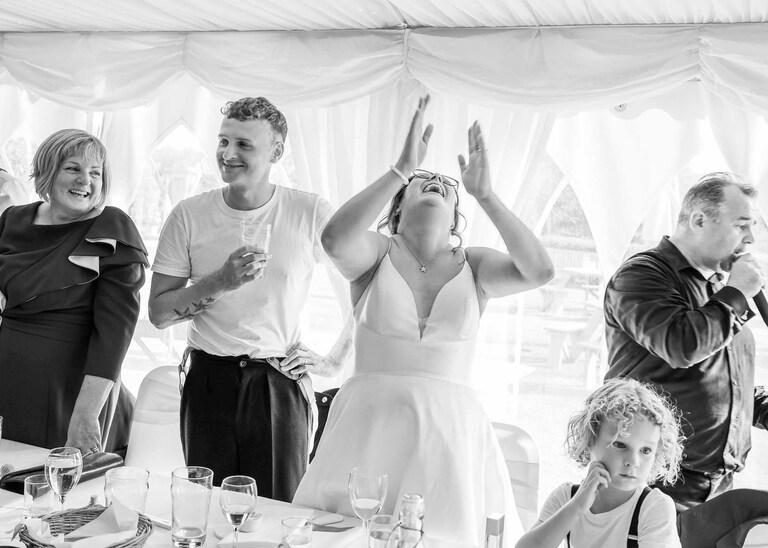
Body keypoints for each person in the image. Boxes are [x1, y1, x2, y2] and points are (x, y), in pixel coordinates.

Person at [292, 96, 554, 546]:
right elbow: (334, 239)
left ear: (456, 215)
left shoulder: (476, 265)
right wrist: (399, 167)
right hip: (368, 428)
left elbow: (540, 271)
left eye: (445, 184)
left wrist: (486, 195)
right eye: (421, 180)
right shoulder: (376, 253)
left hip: (450, 436)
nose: (434, 180)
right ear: (396, 209)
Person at [149, 96, 352, 501]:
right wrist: (220, 281)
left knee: (277, 513)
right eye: (224, 141)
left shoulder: (309, 212)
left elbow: (366, 288)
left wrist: (334, 360)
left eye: (244, 144)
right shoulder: (187, 215)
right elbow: (157, 313)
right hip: (208, 381)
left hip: (277, 382)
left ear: (276, 151)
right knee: (205, 508)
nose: (227, 153)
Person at [603, 172, 768, 512]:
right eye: (742, 225)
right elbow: (682, 346)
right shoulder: (642, 275)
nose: (750, 238)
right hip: (653, 481)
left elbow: (726, 383)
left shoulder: (716, 290)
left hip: (716, 486)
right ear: (698, 220)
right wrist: (737, 293)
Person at [0, 129, 148, 453]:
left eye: (95, 173)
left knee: (60, 494)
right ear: (48, 170)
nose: (85, 180)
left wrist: (85, 414)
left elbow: (115, 333)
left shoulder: (111, 227)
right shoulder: (13, 219)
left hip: (74, 394)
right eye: (73, 168)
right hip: (9, 384)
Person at [516, 378, 684, 548]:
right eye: (620, 445)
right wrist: (577, 507)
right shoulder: (566, 498)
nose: (633, 461)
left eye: (645, 450)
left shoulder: (654, 507)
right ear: (590, 440)